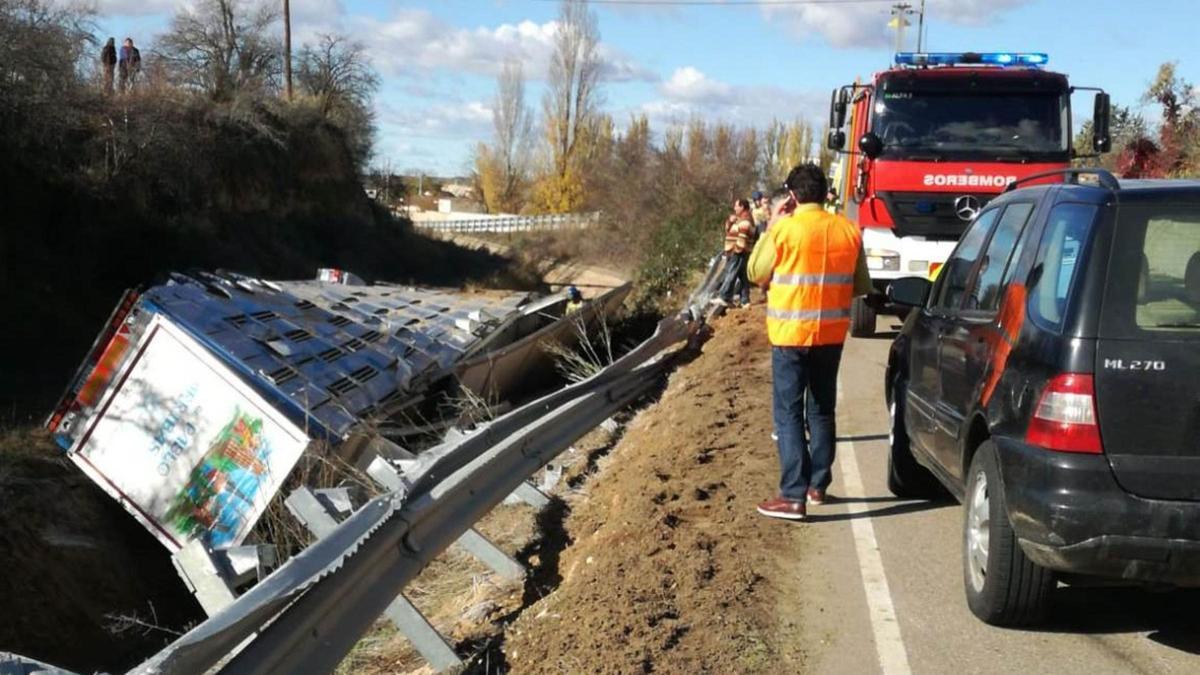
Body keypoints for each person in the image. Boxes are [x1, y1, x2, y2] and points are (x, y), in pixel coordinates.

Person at [747, 163, 881, 520]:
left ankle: (792, 496)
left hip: (790, 336)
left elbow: (755, 272)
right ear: (825, 194)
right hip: (831, 335)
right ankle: (817, 485)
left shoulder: (785, 231)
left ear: (792, 196)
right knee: (821, 410)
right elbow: (861, 285)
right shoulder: (849, 231)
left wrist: (773, 222)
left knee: (789, 413)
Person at [715, 198, 755, 307]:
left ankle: (724, 296)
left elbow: (742, 239)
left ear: (742, 207)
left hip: (738, 252)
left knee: (731, 273)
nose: (735, 208)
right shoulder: (739, 220)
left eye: (737, 206)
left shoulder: (745, 222)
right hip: (737, 252)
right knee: (742, 277)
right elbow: (728, 230)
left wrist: (736, 250)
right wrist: (730, 221)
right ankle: (745, 300)